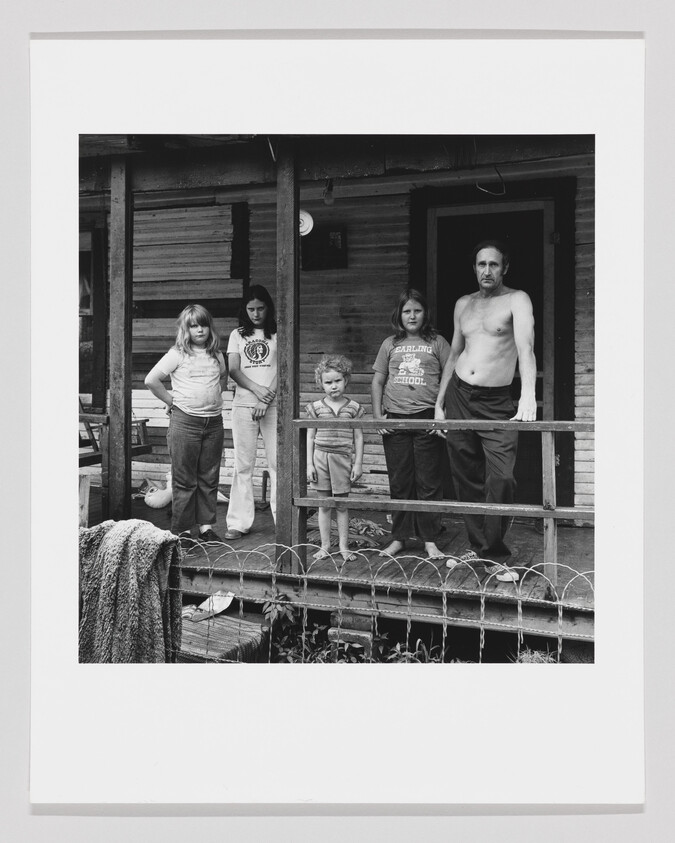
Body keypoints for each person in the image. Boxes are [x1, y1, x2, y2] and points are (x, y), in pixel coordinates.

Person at [434, 240, 537, 582]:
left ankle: (493, 551)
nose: (487, 271)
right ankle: (480, 550)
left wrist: (528, 396)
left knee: (502, 477)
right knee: (465, 475)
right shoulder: (463, 303)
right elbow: (454, 354)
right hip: (460, 395)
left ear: (504, 268)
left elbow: (526, 348)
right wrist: (439, 402)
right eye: (481, 264)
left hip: (496, 402)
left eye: (494, 264)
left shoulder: (516, 299)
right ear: (474, 268)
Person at [371, 289, 450, 561]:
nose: (412, 315)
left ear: (425, 313)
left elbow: (450, 379)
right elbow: (378, 381)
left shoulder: (437, 342)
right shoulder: (390, 344)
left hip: (428, 418)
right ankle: (399, 538)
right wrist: (377, 416)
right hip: (395, 419)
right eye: (407, 311)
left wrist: (443, 415)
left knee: (428, 482)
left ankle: (429, 540)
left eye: (417, 310)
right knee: (400, 480)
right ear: (399, 315)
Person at [144, 304, 226, 543]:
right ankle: (182, 531)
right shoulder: (177, 354)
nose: (200, 330)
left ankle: (205, 528)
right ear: (186, 330)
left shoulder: (216, 355)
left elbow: (222, 377)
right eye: (194, 326)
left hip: (213, 423)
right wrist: (172, 401)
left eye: (204, 324)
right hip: (185, 422)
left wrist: (212, 397)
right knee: (185, 479)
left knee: (209, 477)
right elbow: (152, 380)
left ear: (210, 327)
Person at [224, 285, 278, 540]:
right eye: (251, 309)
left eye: (261, 308)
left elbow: (284, 369)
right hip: (244, 405)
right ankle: (239, 521)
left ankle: (283, 519)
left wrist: (267, 399)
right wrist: (258, 391)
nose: (256, 314)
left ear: (268, 308)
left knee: (278, 464)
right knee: (243, 464)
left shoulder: (278, 333)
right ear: (245, 310)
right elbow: (234, 369)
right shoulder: (237, 335)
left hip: (274, 405)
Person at [306, 354, 365, 562]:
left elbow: (358, 436)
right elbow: (310, 435)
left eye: (337, 381)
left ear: (346, 380)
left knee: (341, 504)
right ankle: (324, 546)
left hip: (342, 459)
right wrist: (309, 464)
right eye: (328, 382)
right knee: (324, 505)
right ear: (321, 384)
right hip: (320, 457)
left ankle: (343, 546)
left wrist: (357, 463)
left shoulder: (354, 408)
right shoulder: (316, 407)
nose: (333, 386)